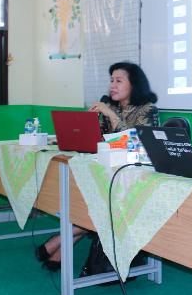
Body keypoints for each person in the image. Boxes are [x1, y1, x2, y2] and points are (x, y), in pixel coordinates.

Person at [35, 61, 160, 271]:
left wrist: (110, 115)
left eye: (119, 81)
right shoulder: (110, 106)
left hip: (135, 176)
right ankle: (63, 243)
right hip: (108, 170)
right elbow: (96, 140)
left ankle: (62, 238)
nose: (113, 85)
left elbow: (135, 143)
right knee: (88, 196)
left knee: (101, 203)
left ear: (134, 84)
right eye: (111, 80)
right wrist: (84, 127)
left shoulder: (148, 110)